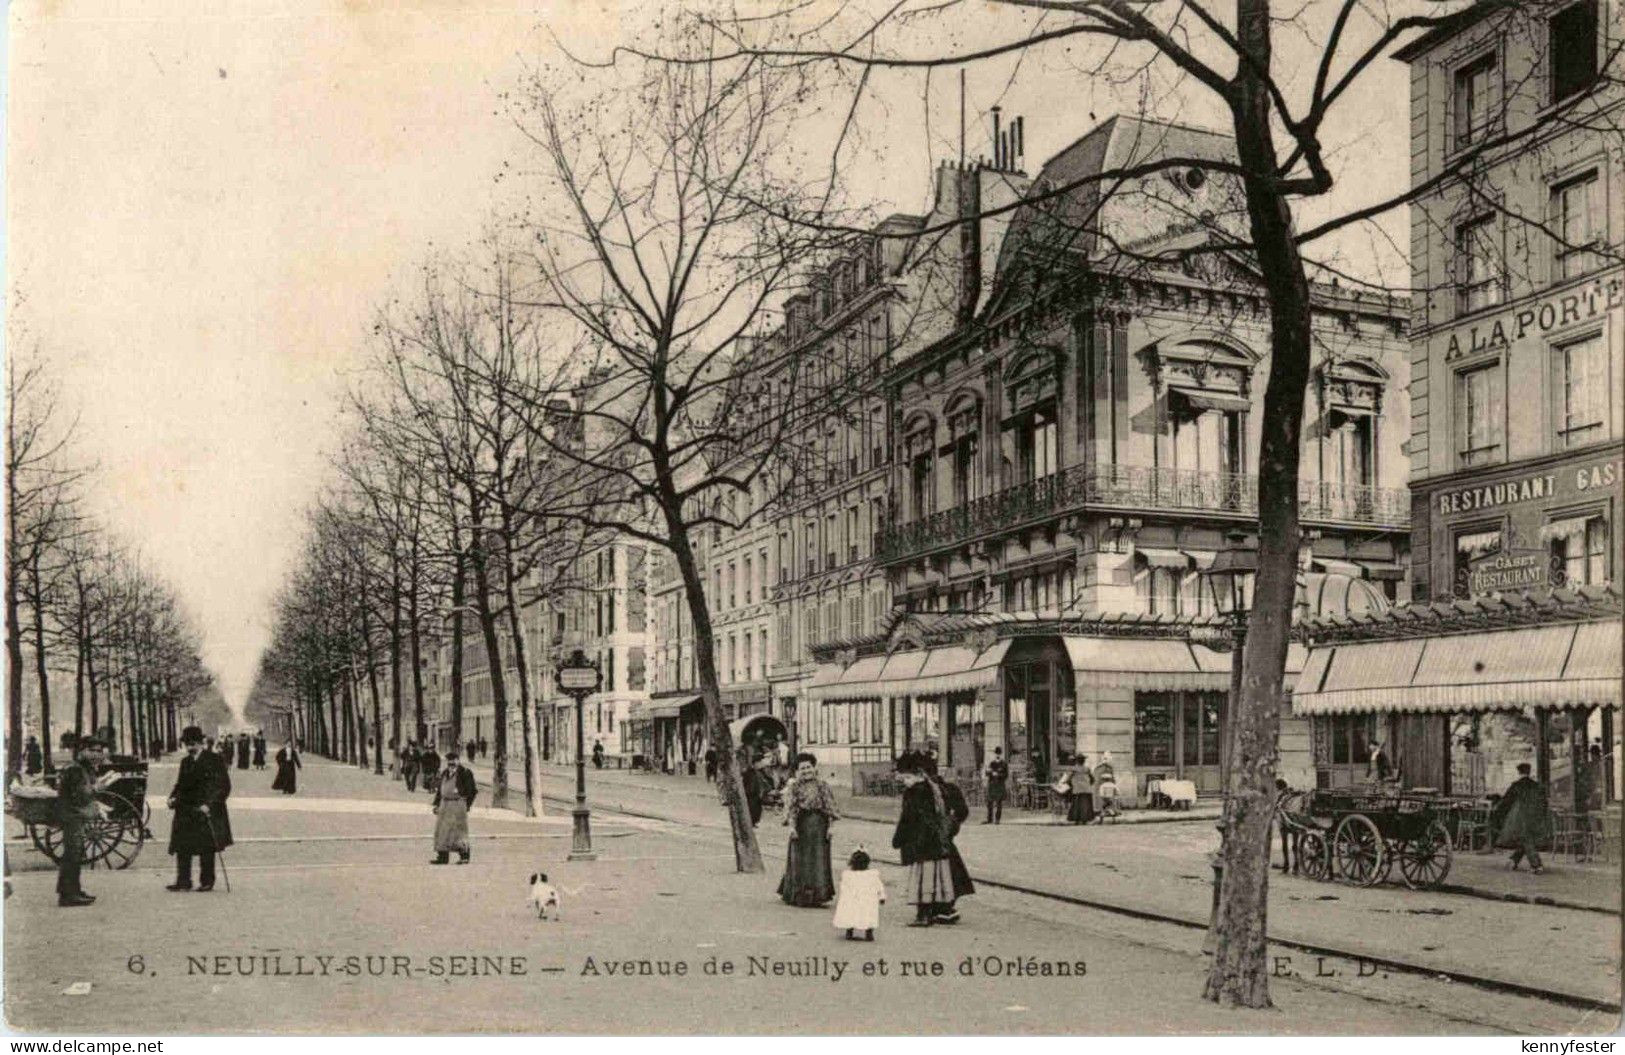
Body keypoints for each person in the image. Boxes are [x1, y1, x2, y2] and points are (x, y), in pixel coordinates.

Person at [167, 725, 233, 892]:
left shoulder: (214, 760)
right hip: (185, 809)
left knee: (206, 847)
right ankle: (183, 880)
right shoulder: (185, 762)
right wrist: (172, 797)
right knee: (182, 845)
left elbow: (223, 786)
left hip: (205, 809)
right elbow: (180, 784)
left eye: (192, 744)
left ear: (200, 743)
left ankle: (207, 881)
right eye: (187, 744)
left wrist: (209, 805)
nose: (189, 748)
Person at [892, 751, 953, 927]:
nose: (905, 782)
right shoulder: (933, 789)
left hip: (921, 842)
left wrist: (898, 838)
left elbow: (907, 818)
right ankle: (932, 912)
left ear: (918, 775)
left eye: (907, 778)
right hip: (934, 842)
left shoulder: (914, 793)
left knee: (922, 879)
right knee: (933, 879)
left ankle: (923, 915)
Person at [777, 753, 838, 907]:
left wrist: (831, 827)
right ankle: (800, 896)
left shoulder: (823, 785)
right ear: (797, 771)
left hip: (819, 827)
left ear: (814, 768)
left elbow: (829, 807)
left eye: (809, 767)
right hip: (801, 826)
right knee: (800, 861)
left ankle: (819, 896)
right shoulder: (794, 787)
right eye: (802, 768)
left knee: (818, 860)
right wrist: (792, 827)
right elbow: (791, 808)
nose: (806, 771)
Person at [56, 736, 107, 907]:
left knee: (74, 853)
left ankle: (73, 890)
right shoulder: (76, 770)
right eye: (92, 750)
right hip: (72, 816)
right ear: (82, 751)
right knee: (73, 854)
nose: (96, 754)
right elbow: (80, 796)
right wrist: (96, 788)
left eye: (99, 751)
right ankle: (68, 895)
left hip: (74, 815)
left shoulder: (80, 768)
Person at [926, 756, 974, 923]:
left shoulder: (926, 791)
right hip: (946, 839)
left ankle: (941, 907)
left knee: (936, 872)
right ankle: (945, 905)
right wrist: (952, 825)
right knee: (951, 870)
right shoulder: (950, 788)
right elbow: (963, 811)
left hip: (934, 841)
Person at [1490, 762, 1551, 874]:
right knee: (1526, 839)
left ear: (1519, 772)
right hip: (1536, 817)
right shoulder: (1536, 785)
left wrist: (1497, 808)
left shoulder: (1516, 785)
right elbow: (1544, 802)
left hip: (1520, 818)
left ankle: (1537, 866)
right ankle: (1514, 860)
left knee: (1525, 838)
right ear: (1529, 772)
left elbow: (1506, 801)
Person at [430, 747, 478, 865]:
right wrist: (436, 804)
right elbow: (440, 790)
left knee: (459, 831)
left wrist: (467, 805)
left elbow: (472, 791)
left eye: (453, 761)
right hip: (444, 804)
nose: (451, 764)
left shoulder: (465, 773)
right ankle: (442, 857)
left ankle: (464, 856)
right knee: (442, 831)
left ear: (458, 761)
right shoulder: (445, 773)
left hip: (458, 804)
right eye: (449, 762)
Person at [831, 848, 885, 941]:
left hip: (852, 900)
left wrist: (844, 899)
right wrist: (882, 897)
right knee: (869, 915)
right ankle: (869, 932)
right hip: (867, 901)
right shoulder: (872, 875)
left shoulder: (847, 875)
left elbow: (843, 888)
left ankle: (849, 931)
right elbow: (879, 887)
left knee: (850, 914)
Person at [1274, 778, 1296, 873]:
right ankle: (1296, 865)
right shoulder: (1291, 795)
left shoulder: (1279, 798)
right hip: (1294, 821)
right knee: (1295, 841)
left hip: (1284, 822)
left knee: (1284, 842)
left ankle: (1286, 864)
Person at [984, 747, 1009, 824]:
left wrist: (998, 775)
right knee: (989, 802)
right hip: (992, 784)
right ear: (995, 754)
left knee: (999, 802)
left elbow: (1006, 775)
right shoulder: (992, 763)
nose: (997, 755)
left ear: (1001, 754)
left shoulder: (1004, 764)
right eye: (996, 753)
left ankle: (997, 819)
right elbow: (987, 773)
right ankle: (989, 819)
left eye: (999, 754)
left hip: (999, 784)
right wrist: (989, 772)